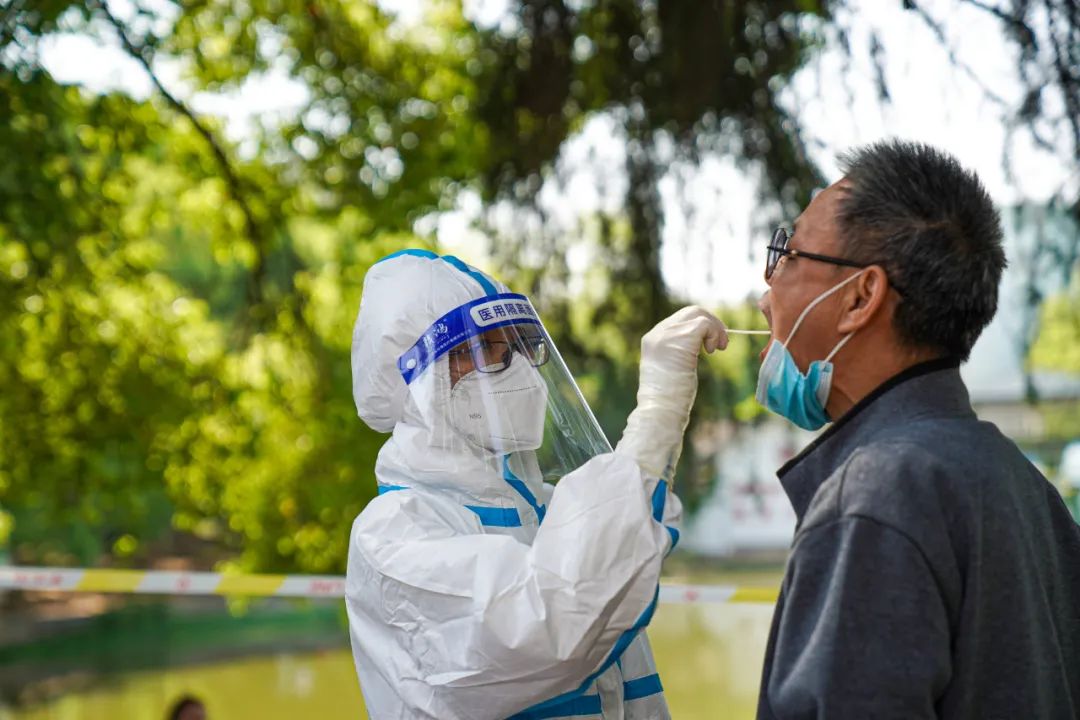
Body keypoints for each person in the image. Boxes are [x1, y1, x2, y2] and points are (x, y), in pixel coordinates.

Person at [752, 140, 1080, 719]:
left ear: (860, 297)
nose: (765, 293)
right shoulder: (1024, 485)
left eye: (789, 254)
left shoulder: (877, 495)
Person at [346, 249, 728, 719]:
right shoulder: (393, 537)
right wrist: (657, 413)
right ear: (414, 382)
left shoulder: (556, 512)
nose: (520, 369)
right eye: (483, 349)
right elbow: (552, 624)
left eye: (520, 345)